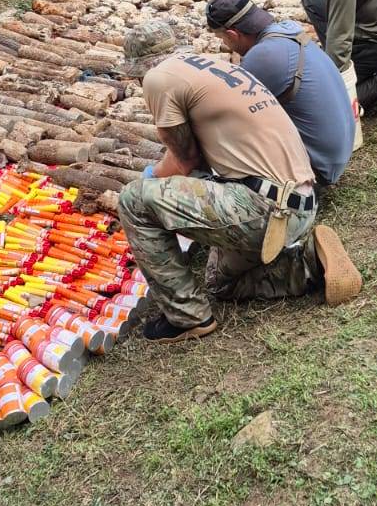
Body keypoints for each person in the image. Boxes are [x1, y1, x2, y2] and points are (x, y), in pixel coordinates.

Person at [116, 20, 362, 345]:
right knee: (221, 284)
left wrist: (149, 182)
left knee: (134, 200)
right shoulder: (209, 67)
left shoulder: (159, 78)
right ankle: (311, 266)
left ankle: (187, 318)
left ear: (140, 67)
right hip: (299, 198)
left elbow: (185, 160)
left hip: (266, 205)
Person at [205, 0, 356, 187]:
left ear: (233, 34)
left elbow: (222, 113)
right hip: (338, 154)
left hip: (318, 170)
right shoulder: (289, 30)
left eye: (222, 38)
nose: (225, 44)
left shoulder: (264, 56)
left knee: (222, 130)